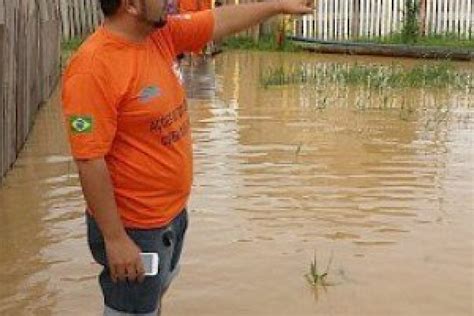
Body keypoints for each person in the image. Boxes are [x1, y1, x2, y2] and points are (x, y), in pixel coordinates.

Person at [61, 0, 313, 315]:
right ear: (131, 6)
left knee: (152, 301)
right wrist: (115, 239)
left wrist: (277, 5)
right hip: (134, 228)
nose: (171, 1)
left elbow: (218, 20)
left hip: (171, 216)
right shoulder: (93, 67)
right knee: (130, 310)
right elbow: (89, 160)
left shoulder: (160, 35)